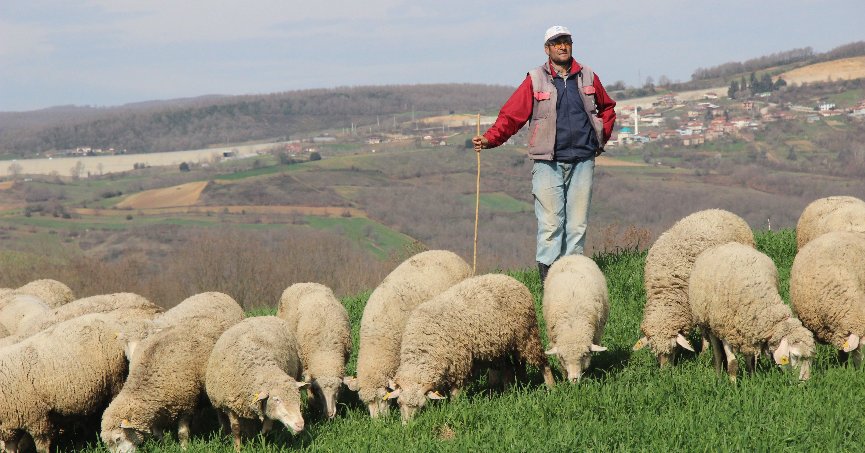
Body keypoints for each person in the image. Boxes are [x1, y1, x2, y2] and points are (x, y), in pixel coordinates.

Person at [472, 25, 617, 285]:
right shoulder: (535, 78)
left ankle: (572, 281)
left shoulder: (587, 76)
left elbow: (607, 108)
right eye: (557, 42)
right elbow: (511, 116)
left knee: (577, 225)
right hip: (547, 161)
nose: (563, 46)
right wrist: (490, 138)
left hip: (583, 159)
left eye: (567, 41)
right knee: (551, 224)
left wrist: (600, 136)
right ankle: (548, 283)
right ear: (547, 49)